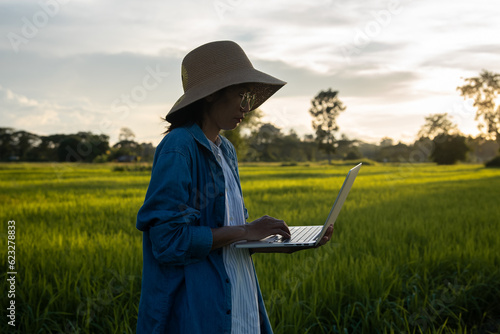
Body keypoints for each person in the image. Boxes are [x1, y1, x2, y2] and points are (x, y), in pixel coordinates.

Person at [136, 40, 334, 334]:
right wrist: (246, 230)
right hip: (200, 309)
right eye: (241, 94)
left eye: (250, 96)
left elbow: (226, 233)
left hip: (240, 297)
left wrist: (280, 242)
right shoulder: (178, 147)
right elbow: (167, 241)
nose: (248, 106)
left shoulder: (226, 150)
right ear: (212, 94)